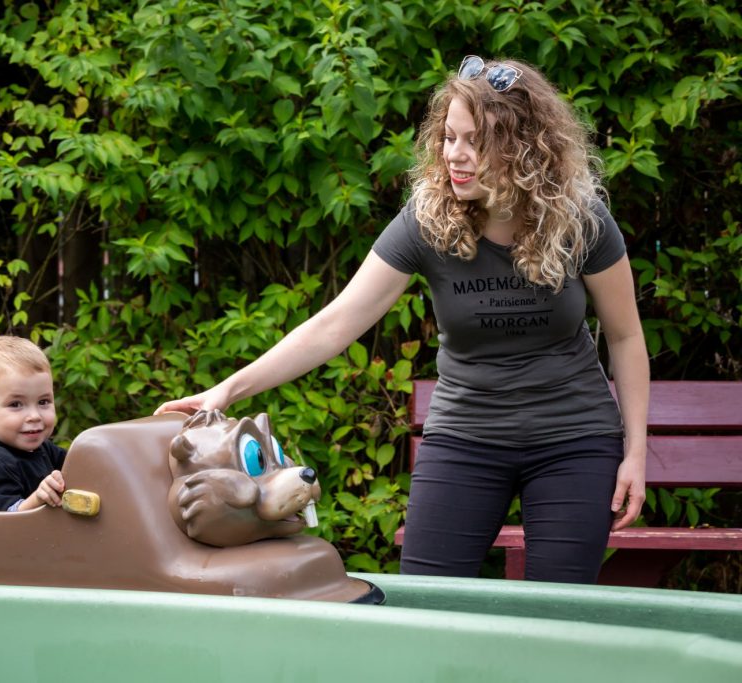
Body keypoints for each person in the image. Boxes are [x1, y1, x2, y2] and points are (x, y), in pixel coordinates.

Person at [155, 56, 649, 583]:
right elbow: (336, 322)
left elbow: (625, 336)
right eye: (449, 137)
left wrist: (635, 453)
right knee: (428, 600)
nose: (454, 156)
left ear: (522, 149)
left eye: (474, 143)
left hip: (573, 438)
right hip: (466, 436)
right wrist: (226, 392)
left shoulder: (581, 220)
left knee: (560, 617)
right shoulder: (427, 218)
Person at [0, 335, 67, 512]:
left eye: (43, 401)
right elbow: (8, 522)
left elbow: (77, 465)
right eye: (15, 404)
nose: (34, 416)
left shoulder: (42, 448)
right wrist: (38, 498)